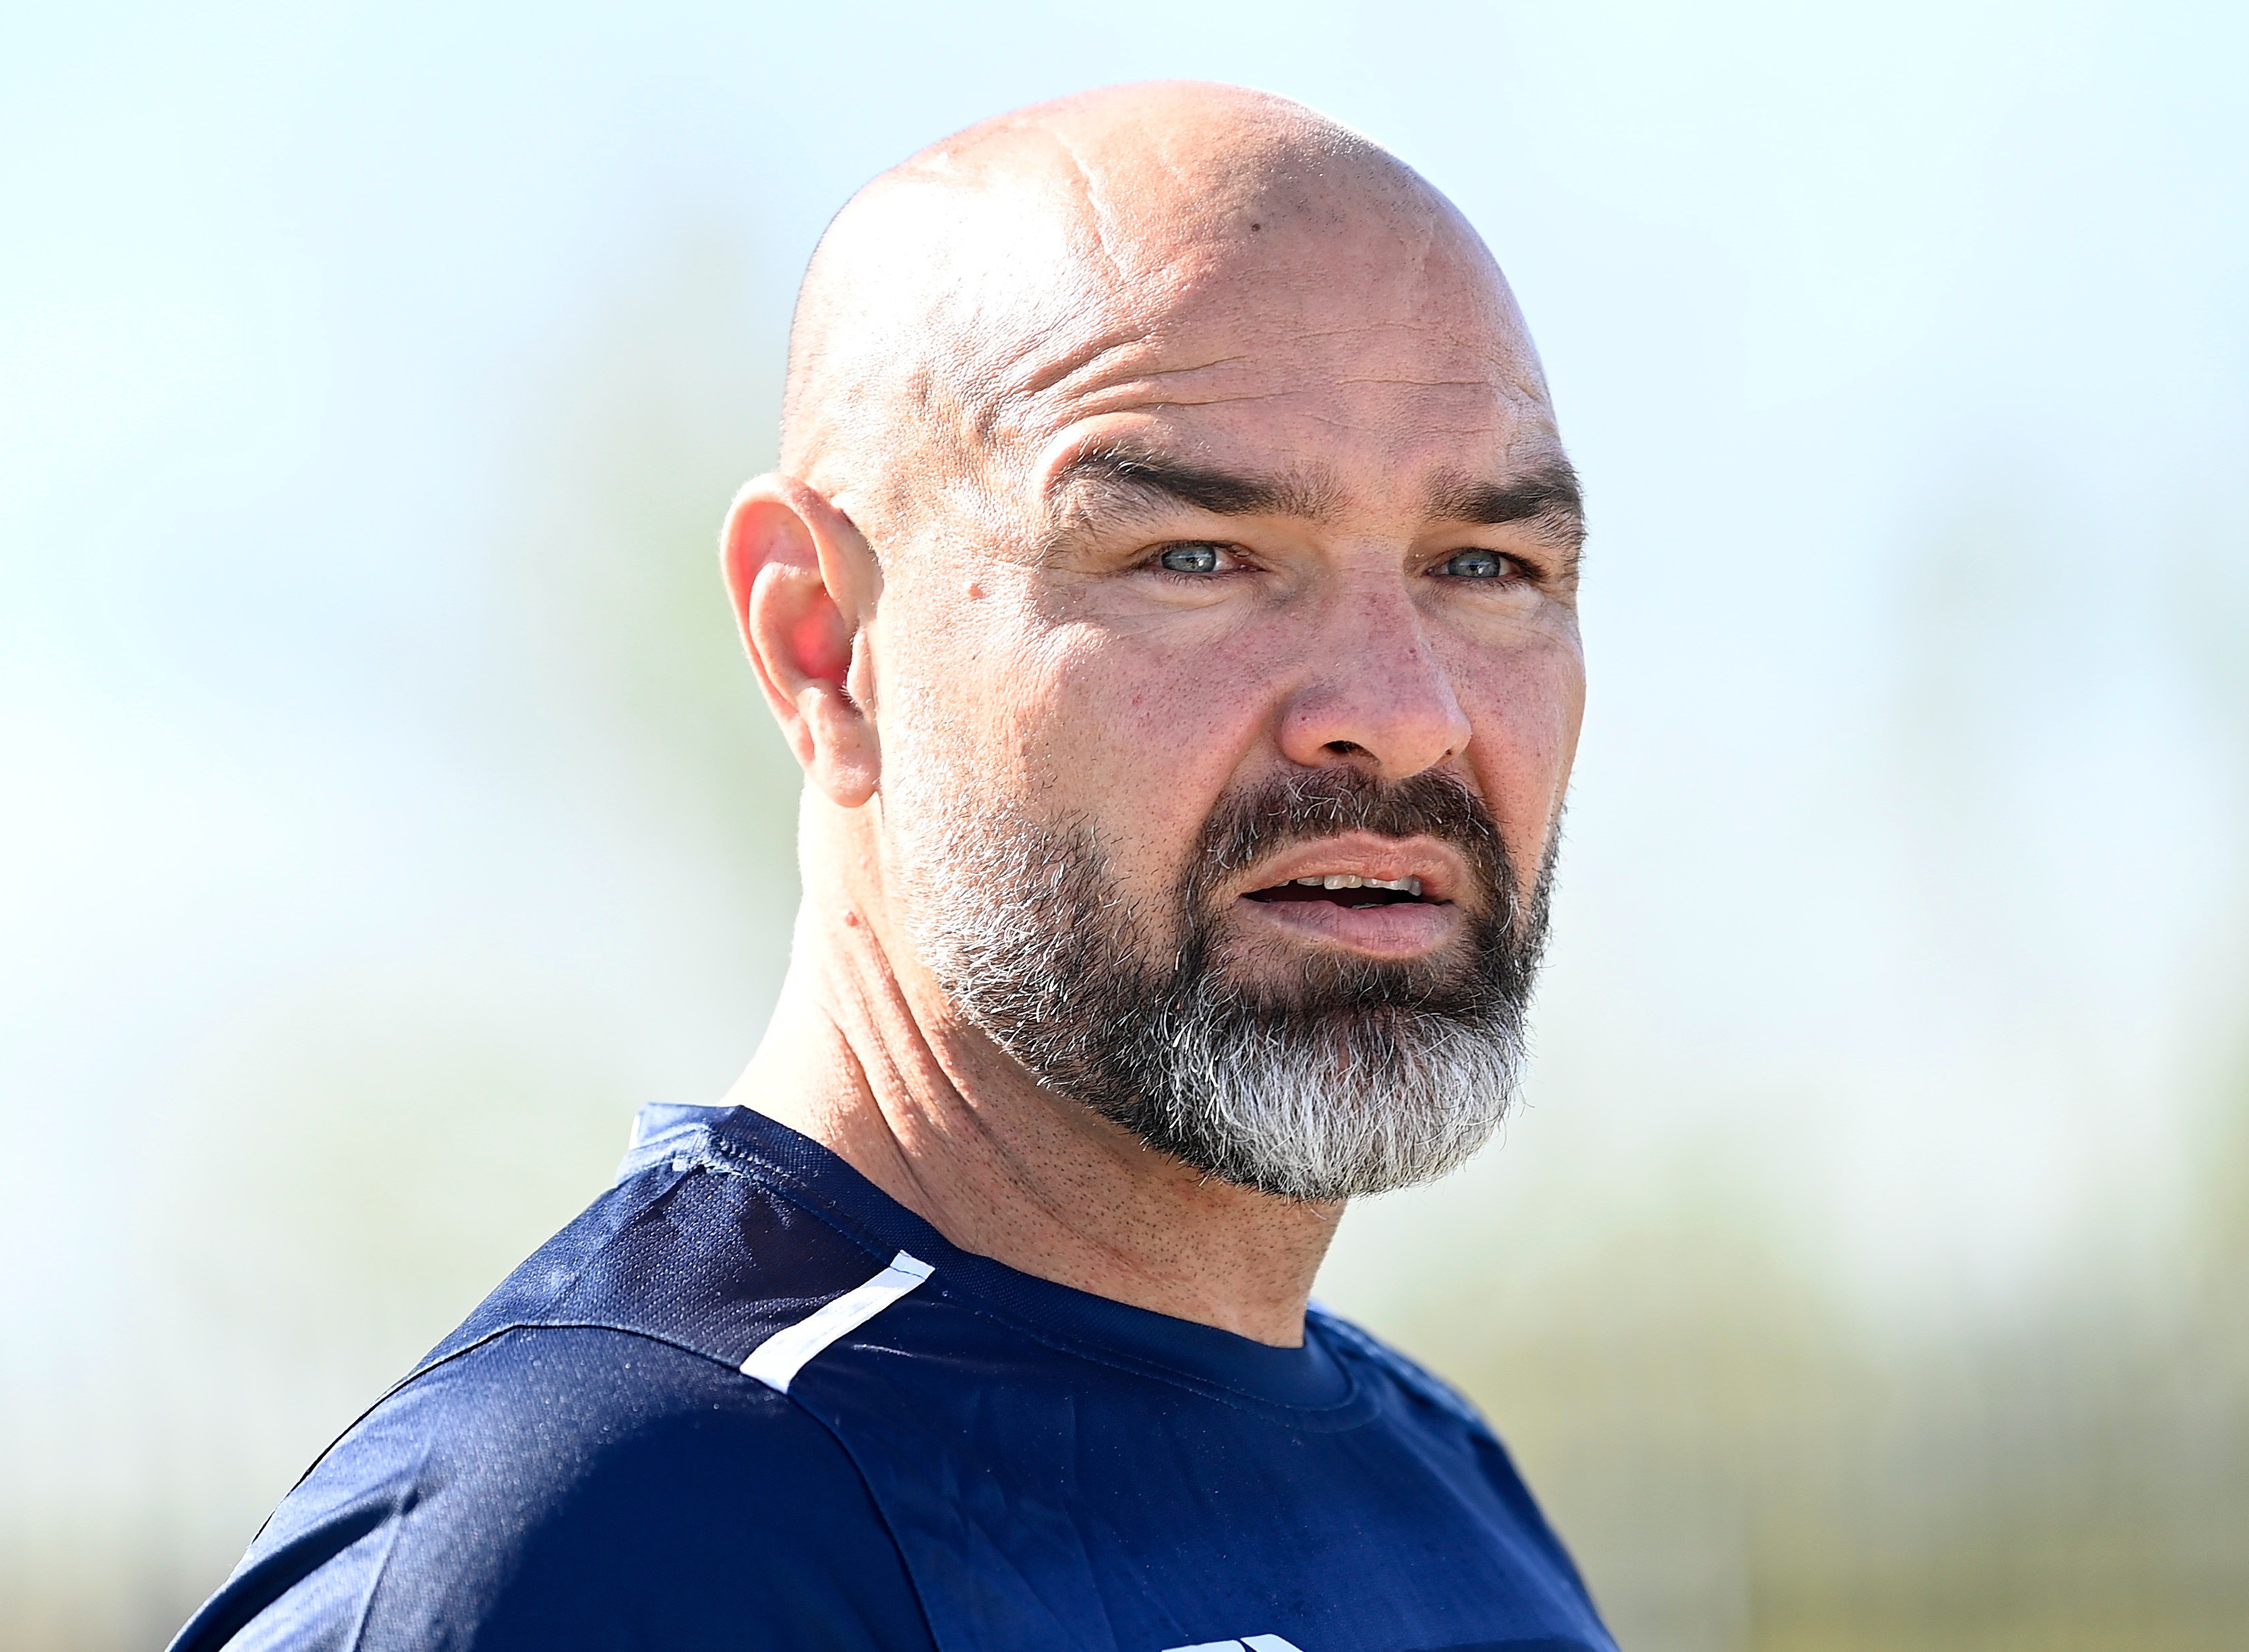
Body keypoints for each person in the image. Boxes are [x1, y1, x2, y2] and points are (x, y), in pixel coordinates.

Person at [171, 80, 1604, 1652]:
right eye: (1196, 556)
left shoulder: (1453, 1495)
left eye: (1490, 566)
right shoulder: (614, 1541)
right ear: (824, 644)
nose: (1404, 713)